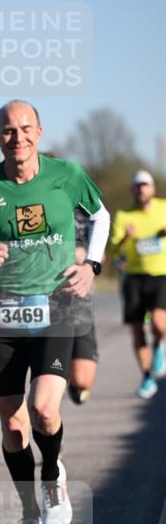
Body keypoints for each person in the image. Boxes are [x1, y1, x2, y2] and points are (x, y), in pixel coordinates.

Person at [0, 100, 110, 524]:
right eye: (7, 130)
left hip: (56, 306)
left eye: (25, 128)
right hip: (1, 313)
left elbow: (100, 216)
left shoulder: (66, 175)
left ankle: (53, 474)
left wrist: (92, 265)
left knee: (44, 409)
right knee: (14, 427)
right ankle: (27, 516)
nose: (17, 137)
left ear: (39, 132)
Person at [109, 170, 166, 400]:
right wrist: (125, 237)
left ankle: (159, 346)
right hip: (133, 277)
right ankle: (146, 377)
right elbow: (112, 250)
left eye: (145, 185)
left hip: (161, 274)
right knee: (136, 329)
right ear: (132, 190)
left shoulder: (163, 208)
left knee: (159, 324)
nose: (142, 189)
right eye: (138, 186)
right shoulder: (124, 215)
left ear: (152, 188)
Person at [67, 209, 100, 405]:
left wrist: (87, 256)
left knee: (82, 381)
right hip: (42, 297)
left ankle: (73, 382)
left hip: (78, 298)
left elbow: (101, 257)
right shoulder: (35, 200)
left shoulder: (86, 211)